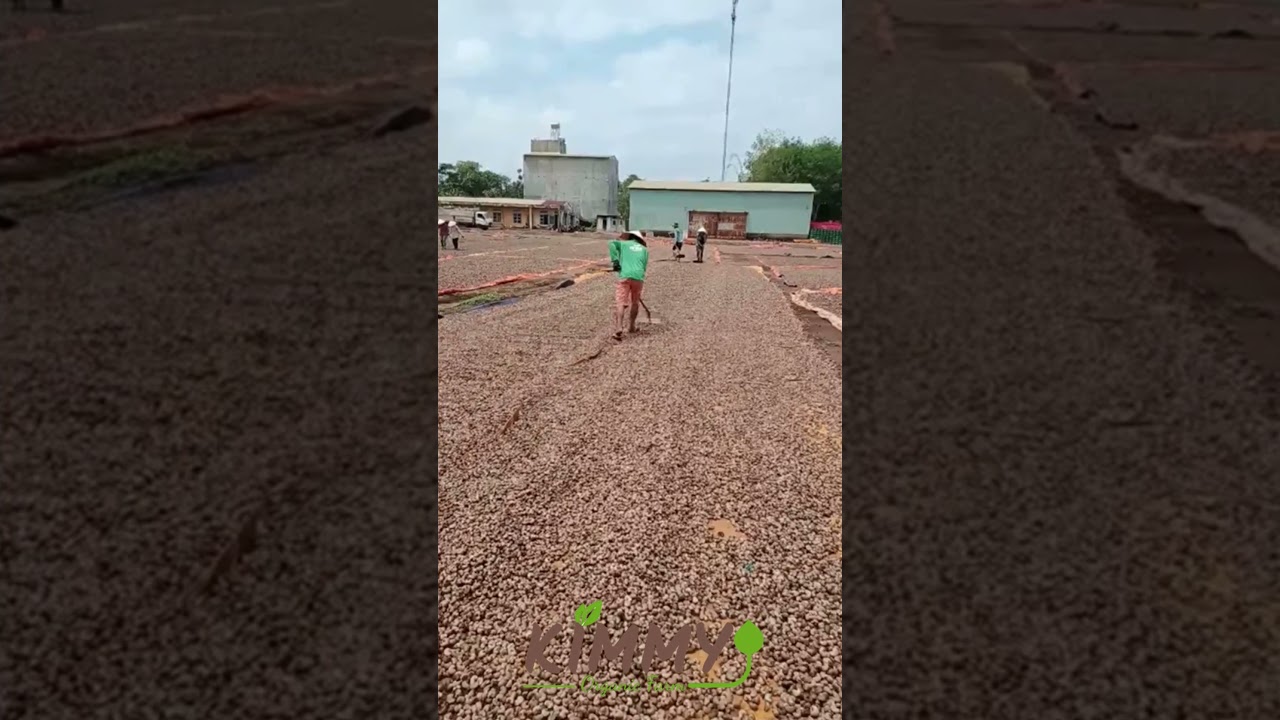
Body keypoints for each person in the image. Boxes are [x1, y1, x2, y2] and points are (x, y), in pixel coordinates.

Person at [608, 231, 650, 340]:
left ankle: (619, 328)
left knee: (621, 302)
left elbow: (611, 244)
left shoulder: (624, 244)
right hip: (638, 277)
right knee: (635, 302)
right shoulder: (644, 250)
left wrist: (615, 261)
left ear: (630, 237)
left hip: (625, 276)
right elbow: (644, 267)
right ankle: (631, 326)